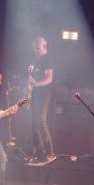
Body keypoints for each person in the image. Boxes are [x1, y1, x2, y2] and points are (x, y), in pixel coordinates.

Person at [26, 36, 55, 164]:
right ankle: (38, 153)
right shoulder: (35, 60)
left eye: (38, 48)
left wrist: (36, 84)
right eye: (34, 49)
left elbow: (49, 79)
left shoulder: (48, 59)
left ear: (44, 46)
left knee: (41, 120)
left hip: (44, 93)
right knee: (34, 123)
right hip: (35, 93)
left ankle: (49, 152)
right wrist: (29, 85)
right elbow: (31, 78)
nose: (36, 51)